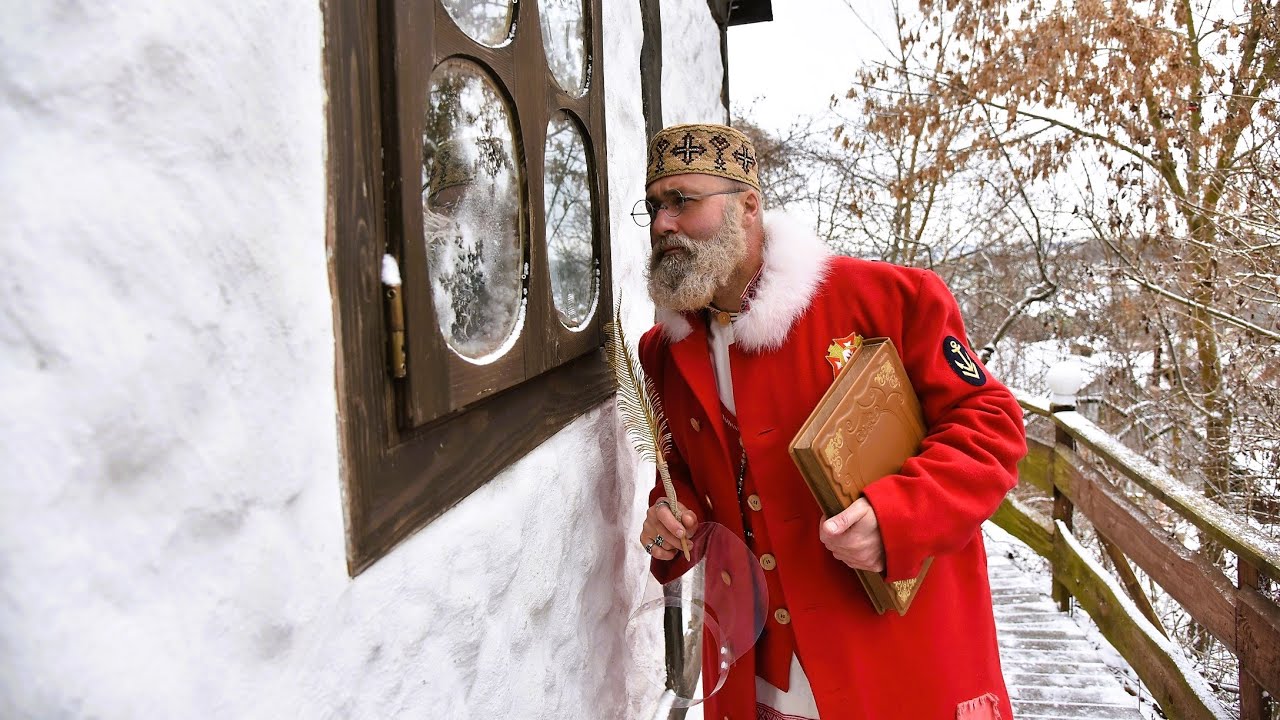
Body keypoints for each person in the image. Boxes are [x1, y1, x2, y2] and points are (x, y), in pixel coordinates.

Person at [634, 123, 1026, 720]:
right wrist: (672, 512)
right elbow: (685, 470)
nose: (663, 224)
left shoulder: (889, 298)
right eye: (653, 207)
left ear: (748, 205)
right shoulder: (663, 351)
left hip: (888, 654)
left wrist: (894, 517)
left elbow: (990, 428)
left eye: (681, 201)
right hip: (754, 667)